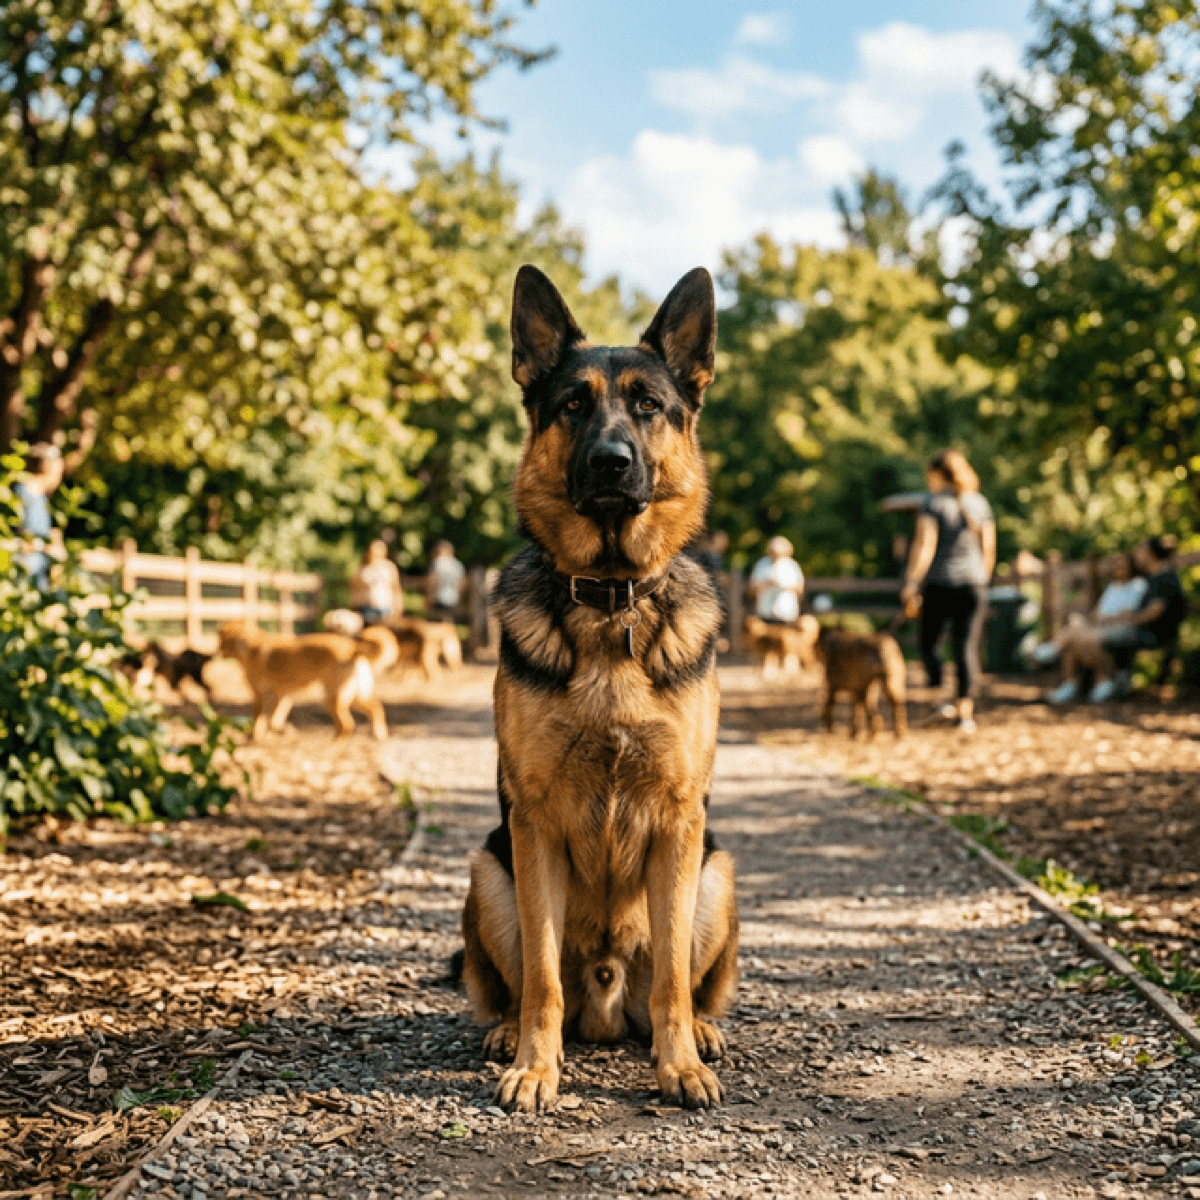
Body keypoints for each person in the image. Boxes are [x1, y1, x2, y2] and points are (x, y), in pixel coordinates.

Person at [900, 449, 996, 734]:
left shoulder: (932, 503)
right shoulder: (979, 503)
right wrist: (983, 578)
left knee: (928, 644)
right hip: (974, 585)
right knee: (966, 647)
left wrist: (911, 582)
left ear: (937, 474)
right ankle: (965, 713)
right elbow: (988, 549)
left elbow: (924, 546)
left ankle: (941, 697)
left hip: (940, 584)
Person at [1052, 536, 1186, 702]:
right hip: (1135, 629)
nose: (1137, 554)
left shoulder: (1164, 577)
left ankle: (1103, 680)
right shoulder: (1152, 577)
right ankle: (1076, 684)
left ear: (1150, 554)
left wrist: (1130, 619)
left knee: (1089, 639)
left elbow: (1155, 611)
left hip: (1150, 633)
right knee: (1077, 640)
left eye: (1141, 549)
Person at [1046, 552, 1147, 703]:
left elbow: (1127, 615)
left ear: (1131, 565)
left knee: (1081, 639)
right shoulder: (1113, 587)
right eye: (1116, 564)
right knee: (1075, 633)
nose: (1119, 567)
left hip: (1122, 629)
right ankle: (1078, 683)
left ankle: (1092, 679)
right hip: (1101, 627)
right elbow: (1098, 613)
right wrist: (1088, 619)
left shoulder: (1138, 585)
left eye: (1122, 564)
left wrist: (1104, 619)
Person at [13, 443, 64, 591]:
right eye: (59, 473)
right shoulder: (21, 494)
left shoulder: (42, 500)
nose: (59, 479)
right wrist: (47, 547)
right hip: (21, 581)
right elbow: (15, 540)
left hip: (38, 580)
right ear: (49, 467)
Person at [748, 535, 804, 624]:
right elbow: (752, 589)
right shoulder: (761, 564)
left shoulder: (791, 565)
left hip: (787, 615)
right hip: (764, 614)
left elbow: (800, 589)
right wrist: (766, 584)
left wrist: (785, 585)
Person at [349, 540, 404, 627]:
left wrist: (398, 605)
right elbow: (354, 588)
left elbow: (396, 588)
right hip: (365, 608)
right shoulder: (363, 569)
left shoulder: (389, 567)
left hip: (385, 607)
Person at [425, 540, 465, 623]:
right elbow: (461, 585)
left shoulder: (438, 563)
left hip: (438, 599)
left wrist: (429, 598)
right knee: (448, 625)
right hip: (453, 600)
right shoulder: (458, 565)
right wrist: (459, 601)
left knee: (435, 626)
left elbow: (432, 582)